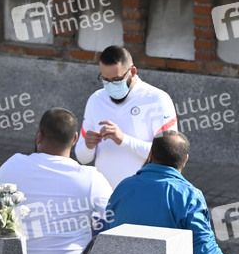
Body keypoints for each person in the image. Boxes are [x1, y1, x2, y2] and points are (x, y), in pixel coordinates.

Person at [106, 131, 239, 254]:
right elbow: (205, 248)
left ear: (151, 155)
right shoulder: (189, 195)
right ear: (185, 160)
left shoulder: (122, 187)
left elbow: (106, 233)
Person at [0, 109, 112, 254]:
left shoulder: (12, 165)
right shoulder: (91, 178)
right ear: (75, 138)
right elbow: (114, 218)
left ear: (39, 136)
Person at [74, 45, 178, 189]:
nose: (110, 85)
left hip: (143, 192)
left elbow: (167, 157)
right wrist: (88, 146)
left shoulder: (157, 99)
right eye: (105, 80)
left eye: (116, 79)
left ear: (132, 72)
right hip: (104, 194)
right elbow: (82, 158)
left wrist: (124, 140)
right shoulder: (96, 99)